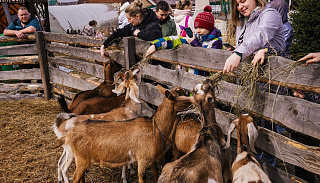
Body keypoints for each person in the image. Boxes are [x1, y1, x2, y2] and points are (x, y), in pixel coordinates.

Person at [146, 6, 222, 75]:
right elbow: (174, 40)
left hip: (206, 83)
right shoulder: (195, 38)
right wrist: (156, 45)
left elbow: (210, 59)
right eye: (196, 28)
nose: (198, 31)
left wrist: (195, 44)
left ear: (209, 28)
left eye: (201, 28)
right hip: (192, 78)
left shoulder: (216, 42)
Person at [223, 0, 285, 74]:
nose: (240, 7)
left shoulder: (270, 14)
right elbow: (249, 44)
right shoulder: (243, 21)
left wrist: (239, 53)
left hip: (271, 75)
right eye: (237, 5)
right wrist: (238, 48)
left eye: (243, 1)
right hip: (250, 76)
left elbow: (260, 36)